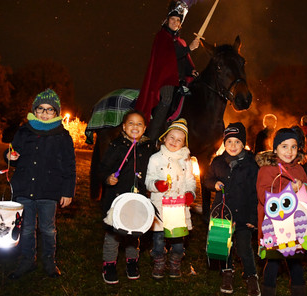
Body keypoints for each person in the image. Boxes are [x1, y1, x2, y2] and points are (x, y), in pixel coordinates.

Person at [5, 89, 76, 279]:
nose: (45, 113)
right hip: (24, 188)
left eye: (50, 110)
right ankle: (27, 260)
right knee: (26, 228)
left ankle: (49, 261)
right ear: (34, 111)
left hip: (49, 191)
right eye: (41, 109)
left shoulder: (62, 136)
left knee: (47, 228)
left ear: (56, 113)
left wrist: (67, 191)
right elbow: (13, 153)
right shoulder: (24, 131)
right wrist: (10, 156)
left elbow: (69, 165)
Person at [99, 110, 157, 284]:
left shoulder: (148, 148)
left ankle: (132, 262)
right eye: (131, 123)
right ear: (124, 127)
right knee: (113, 233)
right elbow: (102, 168)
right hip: (116, 198)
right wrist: (108, 178)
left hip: (137, 198)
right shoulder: (117, 145)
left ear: (145, 128)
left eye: (139, 124)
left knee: (134, 233)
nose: (135, 126)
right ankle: (109, 264)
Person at [204, 122, 260, 295]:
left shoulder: (251, 164)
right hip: (223, 213)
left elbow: (255, 192)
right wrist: (214, 184)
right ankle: (227, 272)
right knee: (224, 246)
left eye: (237, 142)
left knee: (244, 247)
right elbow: (207, 179)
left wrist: (253, 217)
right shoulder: (218, 161)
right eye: (229, 142)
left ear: (243, 143)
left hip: (243, 214)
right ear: (224, 143)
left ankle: (251, 276)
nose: (233, 146)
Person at [256, 127, 307, 296]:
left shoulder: (299, 169)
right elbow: (266, 197)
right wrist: (289, 190)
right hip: (275, 226)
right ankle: (268, 291)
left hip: (295, 226)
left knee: (295, 263)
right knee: (273, 261)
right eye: (284, 146)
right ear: (275, 149)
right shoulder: (267, 170)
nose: (289, 151)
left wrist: (305, 189)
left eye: (293, 147)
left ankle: (299, 291)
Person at [135, 1, 200, 140]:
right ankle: (151, 137)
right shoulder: (162, 36)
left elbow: (184, 60)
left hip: (180, 80)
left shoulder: (180, 41)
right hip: (166, 79)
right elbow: (171, 55)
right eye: (173, 19)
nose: (175, 22)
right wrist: (189, 48)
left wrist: (191, 71)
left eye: (178, 20)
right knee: (167, 99)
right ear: (167, 20)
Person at [145, 118, 196, 279]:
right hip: (160, 206)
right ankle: (159, 262)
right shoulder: (155, 158)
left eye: (179, 139)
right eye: (171, 137)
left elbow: (190, 180)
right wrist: (156, 185)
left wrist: (190, 193)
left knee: (178, 240)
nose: (174, 141)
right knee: (159, 238)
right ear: (164, 138)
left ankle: (175, 262)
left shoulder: (186, 160)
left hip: (178, 208)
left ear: (184, 144)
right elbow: (147, 180)